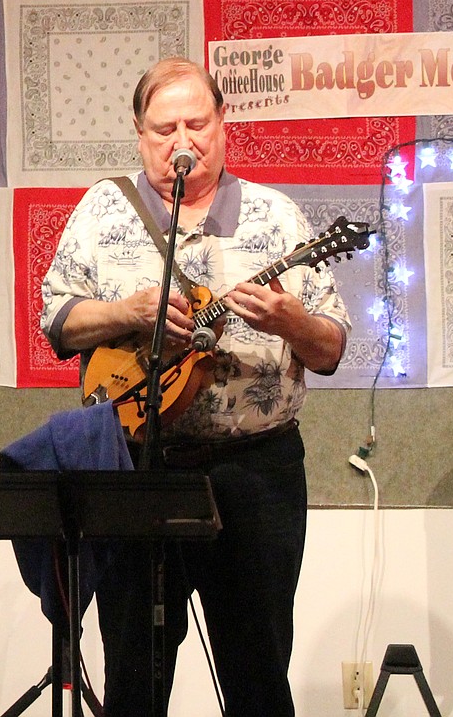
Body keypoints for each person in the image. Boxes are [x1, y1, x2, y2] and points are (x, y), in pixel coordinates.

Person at [39, 57, 350, 716]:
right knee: (134, 671)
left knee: (257, 671)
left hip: (254, 472)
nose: (183, 140)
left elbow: (330, 349)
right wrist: (128, 314)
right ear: (139, 132)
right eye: (165, 128)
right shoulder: (101, 209)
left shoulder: (278, 216)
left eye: (197, 123)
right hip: (134, 468)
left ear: (223, 124)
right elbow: (58, 322)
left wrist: (293, 319)